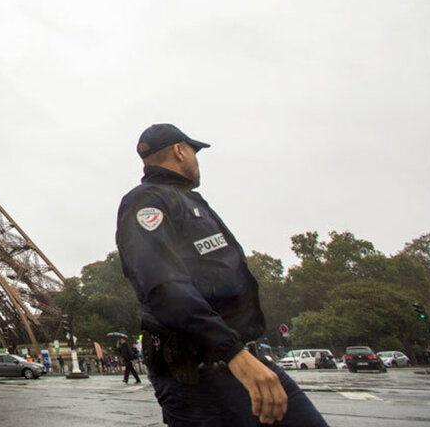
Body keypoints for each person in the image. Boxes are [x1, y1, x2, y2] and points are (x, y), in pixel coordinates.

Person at [116, 124, 327, 426]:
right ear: (179, 150)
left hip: (236, 358)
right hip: (204, 373)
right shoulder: (147, 202)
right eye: (193, 151)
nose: (196, 160)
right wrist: (233, 354)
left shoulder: (185, 201)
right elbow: (164, 288)